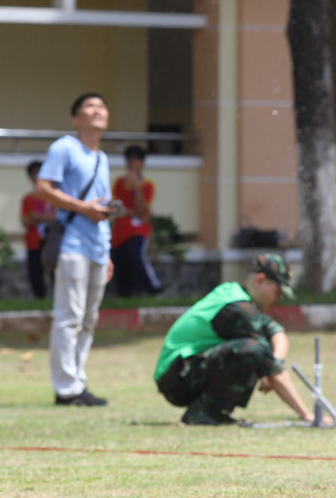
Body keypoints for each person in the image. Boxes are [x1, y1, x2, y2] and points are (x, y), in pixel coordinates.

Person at [154, 253, 319, 425]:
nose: (277, 299)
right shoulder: (237, 308)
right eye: (277, 291)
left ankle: (213, 412)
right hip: (176, 377)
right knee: (254, 349)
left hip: (180, 372)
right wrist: (306, 414)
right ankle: (203, 412)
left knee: (260, 352)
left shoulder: (236, 294)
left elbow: (277, 333)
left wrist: (274, 361)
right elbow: (266, 357)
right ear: (261, 280)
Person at [35, 93, 117, 407]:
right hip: (71, 244)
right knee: (69, 317)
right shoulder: (64, 148)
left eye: (102, 106)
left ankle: (77, 381)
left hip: (97, 247)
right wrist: (82, 207)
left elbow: (103, 209)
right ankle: (65, 388)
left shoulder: (102, 158)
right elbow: (43, 187)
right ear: (76, 118)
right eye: (90, 106)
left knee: (89, 318)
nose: (98, 111)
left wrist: (107, 252)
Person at [110, 145, 164, 297]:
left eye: (136, 160)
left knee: (135, 256)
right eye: (130, 160)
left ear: (142, 163)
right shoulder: (118, 183)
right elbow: (115, 208)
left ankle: (154, 290)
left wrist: (137, 186)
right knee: (120, 263)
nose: (132, 164)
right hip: (119, 231)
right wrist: (131, 212)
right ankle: (125, 296)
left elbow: (141, 210)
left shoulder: (147, 185)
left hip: (138, 231)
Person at [20, 160, 56, 298]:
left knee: (54, 271)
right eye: (36, 173)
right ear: (31, 177)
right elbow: (26, 221)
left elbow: (58, 217)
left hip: (52, 240)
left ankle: (56, 299)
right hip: (34, 241)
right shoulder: (28, 199)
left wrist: (36, 216)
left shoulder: (55, 197)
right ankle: (39, 298)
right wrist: (46, 217)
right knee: (35, 271)